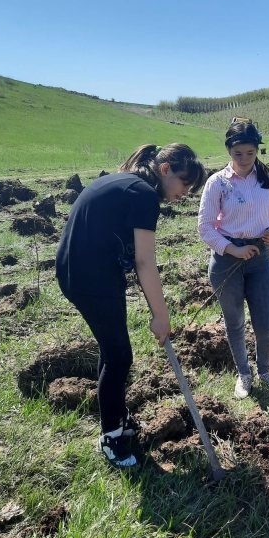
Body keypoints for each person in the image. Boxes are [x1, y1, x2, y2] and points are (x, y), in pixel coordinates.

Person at [56, 143, 205, 468]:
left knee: (114, 351)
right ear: (165, 170)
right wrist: (161, 315)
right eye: (185, 183)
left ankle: (118, 417)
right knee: (120, 355)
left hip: (85, 271)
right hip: (89, 277)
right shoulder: (143, 195)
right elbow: (144, 261)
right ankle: (111, 437)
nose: (186, 192)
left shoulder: (126, 182)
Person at [198, 120, 269, 399]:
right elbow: (205, 226)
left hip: (260, 258)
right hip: (227, 262)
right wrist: (232, 249)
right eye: (238, 154)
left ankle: (264, 371)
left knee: (265, 324)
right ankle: (244, 374)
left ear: (257, 150)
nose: (245, 159)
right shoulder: (217, 183)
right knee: (234, 322)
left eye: (250, 153)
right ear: (228, 151)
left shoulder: (268, 179)